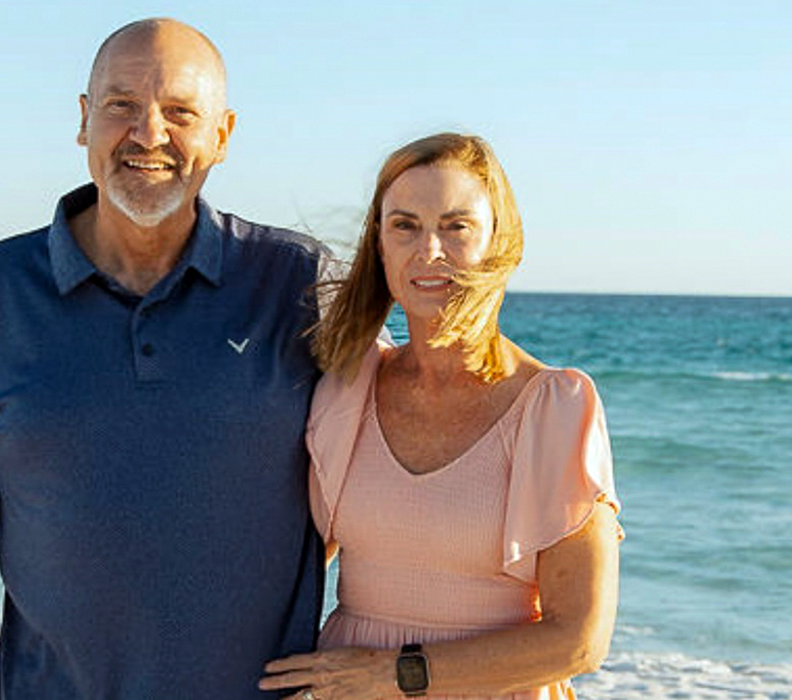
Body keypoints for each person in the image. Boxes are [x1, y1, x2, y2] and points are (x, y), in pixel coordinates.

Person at [0, 18, 327, 699]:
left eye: (181, 112)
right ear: (85, 120)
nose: (148, 134)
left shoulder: (297, 284)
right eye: (122, 105)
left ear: (223, 134)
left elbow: (403, 458)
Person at [258, 133, 623, 700]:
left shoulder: (552, 408)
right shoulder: (349, 387)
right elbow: (287, 569)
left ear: (498, 242)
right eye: (404, 225)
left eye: (456, 226)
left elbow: (579, 641)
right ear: (379, 246)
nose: (429, 250)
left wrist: (393, 674)